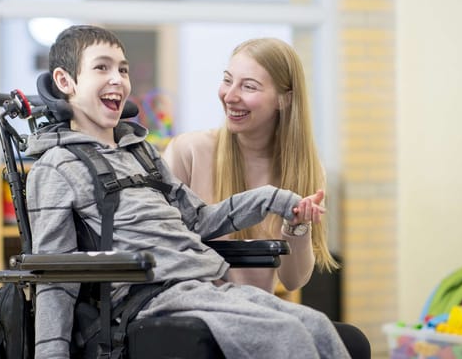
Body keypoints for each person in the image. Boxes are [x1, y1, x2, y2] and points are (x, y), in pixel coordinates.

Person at [25, 25, 350, 359]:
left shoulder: (142, 153)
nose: (117, 79)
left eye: (122, 69)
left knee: (318, 327)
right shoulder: (56, 167)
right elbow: (54, 274)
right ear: (65, 82)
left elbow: (198, 219)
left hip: (201, 283)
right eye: (101, 67)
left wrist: (275, 199)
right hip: (150, 295)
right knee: (286, 334)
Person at [163, 37, 371, 359]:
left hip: (256, 311)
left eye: (248, 86)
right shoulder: (187, 152)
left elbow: (292, 280)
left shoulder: (305, 169)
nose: (230, 96)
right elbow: (161, 251)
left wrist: (297, 229)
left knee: (354, 342)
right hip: (193, 309)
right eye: (227, 80)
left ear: (284, 100)